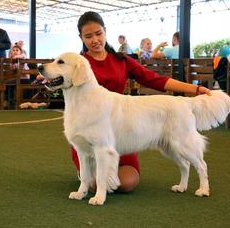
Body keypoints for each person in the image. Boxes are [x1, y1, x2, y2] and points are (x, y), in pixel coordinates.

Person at [72, 11, 211, 193]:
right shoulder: (78, 64)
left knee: (127, 183)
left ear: (105, 31)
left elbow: (155, 79)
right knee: (96, 185)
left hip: (122, 130)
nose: (95, 40)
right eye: (88, 36)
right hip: (90, 131)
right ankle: (87, 173)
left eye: (98, 33)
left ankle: (102, 173)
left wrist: (195, 89)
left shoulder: (122, 60)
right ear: (81, 37)